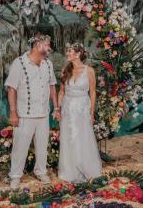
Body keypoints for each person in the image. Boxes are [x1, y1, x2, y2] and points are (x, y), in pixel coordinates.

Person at [5, 33, 58, 189]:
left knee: (42, 147)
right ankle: (15, 175)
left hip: (43, 114)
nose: (49, 48)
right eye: (47, 45)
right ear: (37, 45)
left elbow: (52, 86)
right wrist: (13, 112)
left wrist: (56, 107)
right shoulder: (19, 63)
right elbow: (11, 89)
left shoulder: (48, 64)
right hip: (24, 115)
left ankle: (41, 171)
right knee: (20, 147)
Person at [57, 43, 102, 183]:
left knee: (82, 137)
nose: (67, 54)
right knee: (68, 138)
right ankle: (70, 170)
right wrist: (57, 109)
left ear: (77, 54)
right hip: (68, 108)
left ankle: (85, 168)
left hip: (82, 108)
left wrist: (92, 112)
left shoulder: (89, 71)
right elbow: (62, 91)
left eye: (69, 51)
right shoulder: (66, 69)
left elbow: (93, 92)